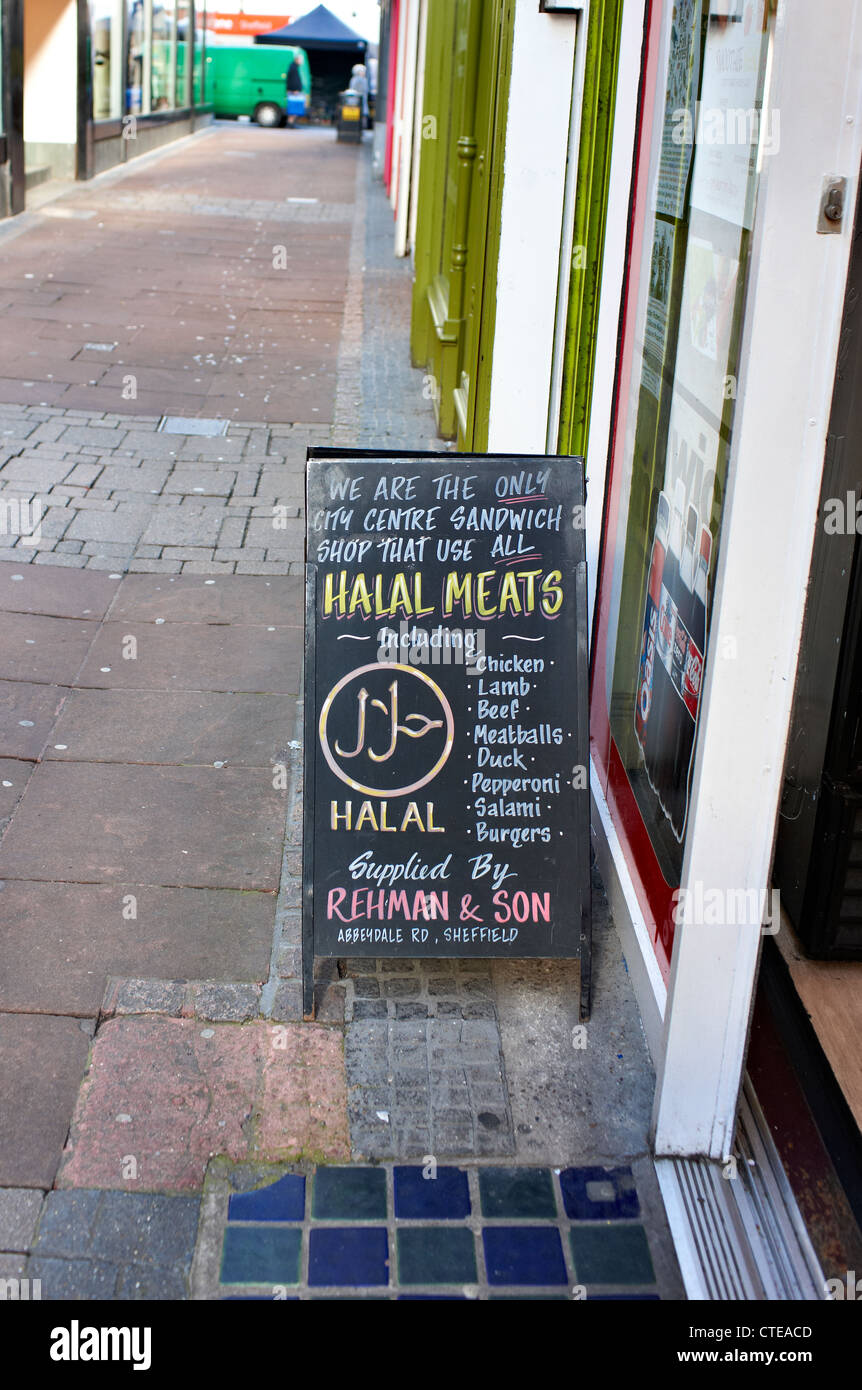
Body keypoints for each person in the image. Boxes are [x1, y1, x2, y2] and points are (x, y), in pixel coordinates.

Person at [286, 57, 304, 128]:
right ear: (297, 60)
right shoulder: (293, 68)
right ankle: (290, 123)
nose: (302, 61)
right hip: (294, 91)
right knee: (293, 108)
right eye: (301, 60)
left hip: (293, 90)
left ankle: (290, 123)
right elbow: (293, 80)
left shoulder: (294, 67)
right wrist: (295, 89)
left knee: (293, 108)